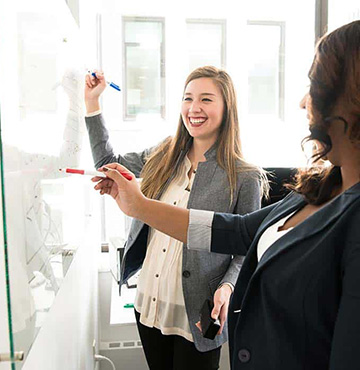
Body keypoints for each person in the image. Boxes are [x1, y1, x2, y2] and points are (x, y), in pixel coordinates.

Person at [92, 19, 360, 369]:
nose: (303, 102)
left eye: (314, 85)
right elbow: (237, 231)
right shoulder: (325, 186)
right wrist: (139, 206)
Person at [84, 66, 266, 369]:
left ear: (227, 107)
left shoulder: (245, 177)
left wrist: (228, 287)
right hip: (150, 302)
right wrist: (93, 103)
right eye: (188, 98)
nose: (194, 108)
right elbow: (108, 164)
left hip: (196, 313)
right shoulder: (164, 153)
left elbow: (246, 247)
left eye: (206, 99)